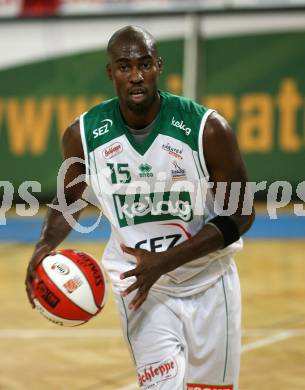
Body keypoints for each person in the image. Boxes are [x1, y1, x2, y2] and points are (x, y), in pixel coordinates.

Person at [25, 25, 255, 389]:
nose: (136, 76)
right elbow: (70, 197)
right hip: (141, 289)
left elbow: (241, 215)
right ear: (110, 72)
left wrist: (166, 261)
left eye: (144, 65)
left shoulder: (207, 130)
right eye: (124, 67)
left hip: (211, 285)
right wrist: (43, 246)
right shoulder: (83, 135)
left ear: (159, 66)